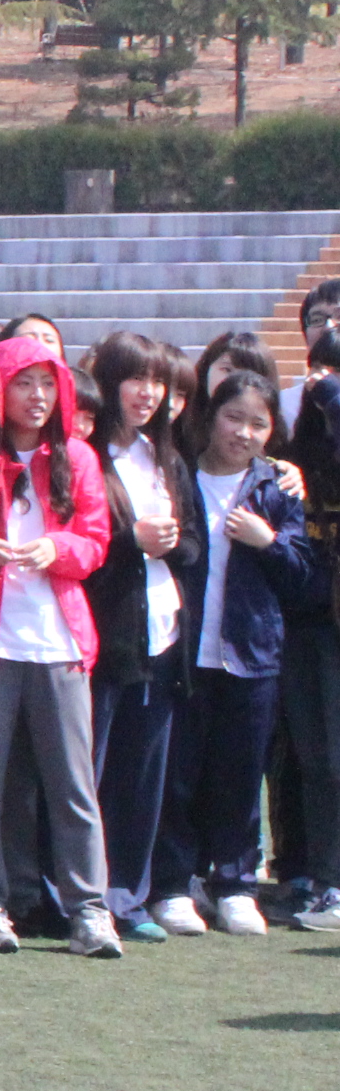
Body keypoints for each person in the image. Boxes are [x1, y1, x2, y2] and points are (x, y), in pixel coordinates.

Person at [0, 333, 116, 958]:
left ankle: (89, 909)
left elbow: (94, 541)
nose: (38, 397)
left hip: (59, 641)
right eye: (23, 384)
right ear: (0, 390)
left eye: (47, 384)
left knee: (72, 784)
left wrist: (54, 549)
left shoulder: (76, 457)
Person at [160, 368, 317, 935]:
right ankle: (175, 883)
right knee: (178, 773)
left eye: (258, 423)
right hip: (180, 650)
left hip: (250, 654)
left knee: (240, 775)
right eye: (233, 417)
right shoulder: (176, 474)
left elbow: (304, 578)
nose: (243, 433)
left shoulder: (277, 486)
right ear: (210, 415)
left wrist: (267, 541)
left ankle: (235, 885)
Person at [84, 334, 194, 942]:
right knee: (90, 773)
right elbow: (81, 547)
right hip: (104, 639)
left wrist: (173, 543)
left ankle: (129, 894)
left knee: (143, 775)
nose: (148, 393)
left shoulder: (164, 457)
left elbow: (194, 544)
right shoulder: (84, 455)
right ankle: (80, 893)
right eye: (135, 379)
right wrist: (133, 543)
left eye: (157, 382)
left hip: (161, 638)